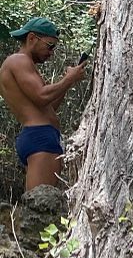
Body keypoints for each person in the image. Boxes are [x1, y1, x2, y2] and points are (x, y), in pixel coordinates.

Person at [1, 17, 87, 190]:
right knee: (40, 202)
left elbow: (48, 106)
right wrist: (69, 79)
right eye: (50, 46)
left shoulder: (20, 64)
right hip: (40, 137)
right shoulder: (18, 60)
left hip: (38, 135)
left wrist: (67, 81)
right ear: (32, 38)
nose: (51, 52)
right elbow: (41, 96)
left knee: (40, 199)